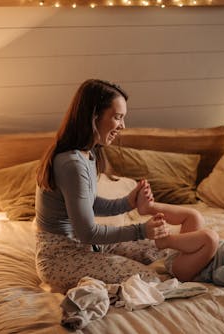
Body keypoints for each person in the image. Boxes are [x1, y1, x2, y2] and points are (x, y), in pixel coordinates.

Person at [35, 79, 173, 293]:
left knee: (164, 254)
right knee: (151, 279)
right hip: (61, 257)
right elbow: (87, 233)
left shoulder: (88, 153)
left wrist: (129, 202)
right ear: (93, 116)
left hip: (87, 246)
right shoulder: (71, 163)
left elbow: (88, 203)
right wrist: (141, 230)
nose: (123, 126)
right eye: (118, 117)